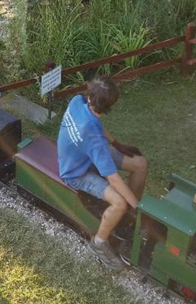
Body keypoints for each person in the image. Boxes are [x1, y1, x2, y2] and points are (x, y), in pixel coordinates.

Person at [57, 76, 148, 269]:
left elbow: (96, 125)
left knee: (140, 164)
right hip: (76, 171)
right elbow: (113, 178)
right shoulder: (94, 140)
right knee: (119, 201)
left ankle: (128, 217)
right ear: (109, 107)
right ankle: (98, 243)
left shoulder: (78, 101)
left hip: (86, 154)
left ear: (90, 95)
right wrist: (139, 207)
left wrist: (116, 144)